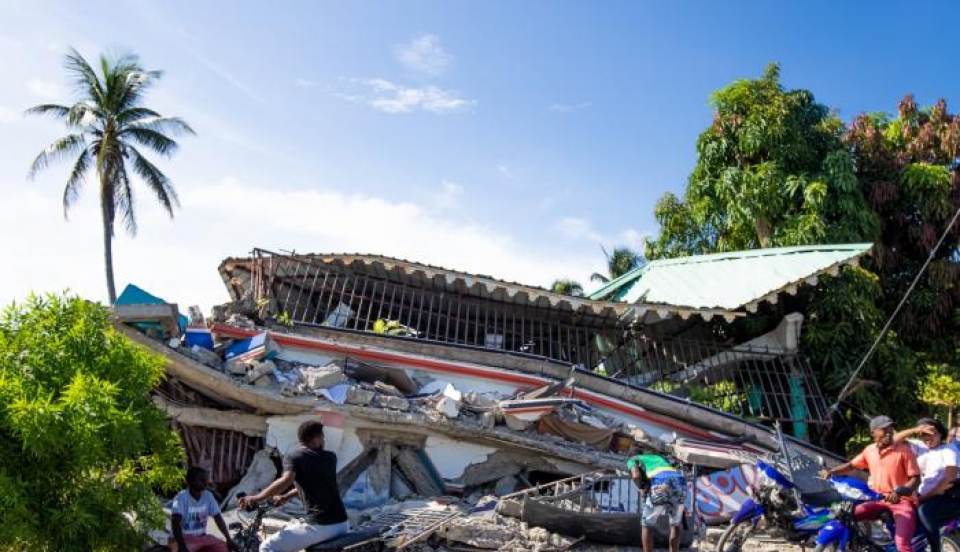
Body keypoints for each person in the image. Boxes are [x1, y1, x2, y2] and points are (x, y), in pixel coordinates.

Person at [239, 420, 349, 552]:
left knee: (267, 547)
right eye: (322, 436)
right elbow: (311, 484)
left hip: (321, 525)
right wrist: (285, 497)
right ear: (315, 439)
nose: (324, 440)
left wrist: (256, 498)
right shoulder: (331, 458)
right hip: (342, 523)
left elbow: (286, 480)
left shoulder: (295, 457)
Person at [821, 415, 921, 552]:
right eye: (884, 429)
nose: (889, 432)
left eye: (891, 429)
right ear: (873, 432)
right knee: (846, 516)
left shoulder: (904, 451)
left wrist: (900, 491)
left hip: (902, 502)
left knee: (902, 544)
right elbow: (851, 465)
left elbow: (916, 478)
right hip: (877, 499)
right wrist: (831, 472)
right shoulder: (870, 450)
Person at [894, 418, 960, 552]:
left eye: (932, 433)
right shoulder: (921, 447)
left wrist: (922, 499)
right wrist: (916, 430)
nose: (927, 437)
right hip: (925, 496)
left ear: (940, 433)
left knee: (924, 511)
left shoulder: (949, 450)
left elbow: (948, 481)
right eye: (923, 434)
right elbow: (893, 441)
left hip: (950, 496)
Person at [627, 452, 686, 552]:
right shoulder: (660, 458)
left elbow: (636, 476)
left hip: (660, 483)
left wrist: (641, 488)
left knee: (647, 524)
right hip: (680, 482)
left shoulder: (633, 459)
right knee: (675, 524)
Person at [170, 466, 235, 552]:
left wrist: (228, 539)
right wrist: (182, 546)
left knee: (222, 548)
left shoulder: (208, 496)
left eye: (206, 479)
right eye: (201, 480)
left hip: (201, 537)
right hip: (183, 538)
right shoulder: (181, 498)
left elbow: (218, 518)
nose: (206, 482)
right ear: (190, 482)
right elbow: (175, 523)